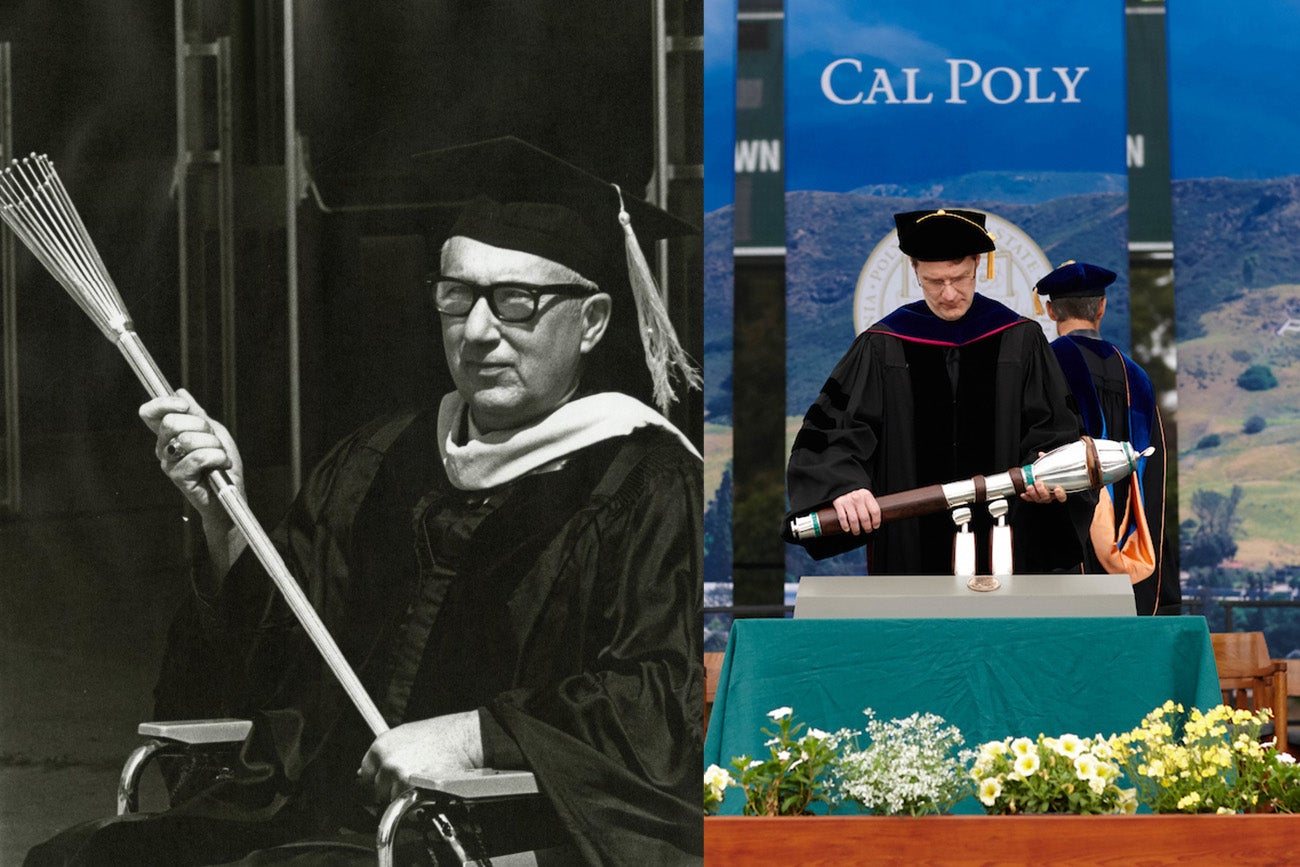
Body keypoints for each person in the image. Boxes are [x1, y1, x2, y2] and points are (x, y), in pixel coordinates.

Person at [27, 138, 703, 866]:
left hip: (495, 842)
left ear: (593, 320)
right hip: (314, 820)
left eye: (517, 301)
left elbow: (657, 705)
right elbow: (273, 662)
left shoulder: (645, 485)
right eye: (457, 295)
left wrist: (474, 736)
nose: (478, 331)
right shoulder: (381, 457)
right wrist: (225, 513)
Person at [784, 208, 1088, 575]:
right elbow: (837, 432)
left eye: (959, 278)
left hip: (1007, 541)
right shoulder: (882, 346)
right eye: (934, 281)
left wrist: (1048, 475)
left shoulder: (1020, 340)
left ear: (978, 264)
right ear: (914, 270)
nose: (948, 294)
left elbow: (1054, 430)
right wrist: (844, 486)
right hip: (907, 545)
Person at [1035, 260, 1178, 615]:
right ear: (1102, 307)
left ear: (1051, 310)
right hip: (1133, 550)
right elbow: (1155, 473)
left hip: (1069, 548)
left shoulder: (1045, 366)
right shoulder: (1138, 378)